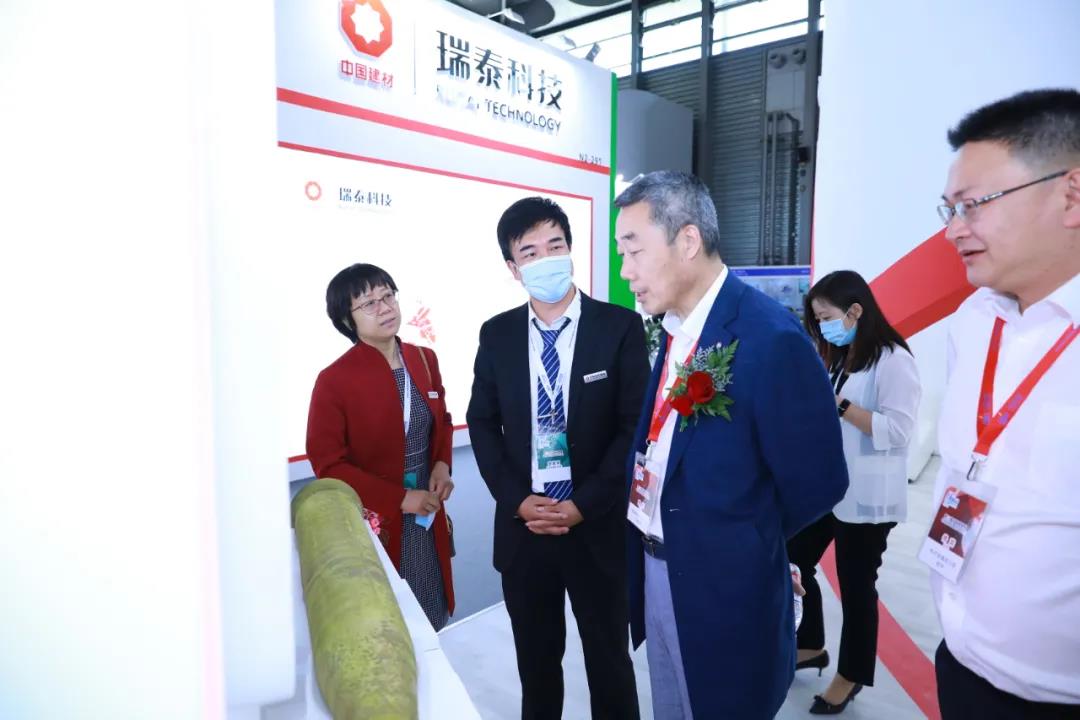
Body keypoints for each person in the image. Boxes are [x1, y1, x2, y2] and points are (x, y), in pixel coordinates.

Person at [614, 170, 848, 719]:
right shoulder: (675, 328)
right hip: (657, 568)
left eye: (634, 251)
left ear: (688, 241)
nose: (625, 271)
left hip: (725, 585)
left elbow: (819, 482)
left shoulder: (770, 338)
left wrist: (745, 539)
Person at [466, 197, 647, 720]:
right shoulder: (497, 334)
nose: (545, 259)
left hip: (597, 526)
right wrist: (517, 500)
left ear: (570, 250)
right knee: (537, 665)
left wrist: (584, 504)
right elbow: (482, 423)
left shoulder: (618, 327)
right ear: (513, 267)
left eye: (555, 245)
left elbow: (632, 428)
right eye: (530, 252)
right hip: (525, 529)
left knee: (609, 663)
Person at [931, 88, 1080, 718]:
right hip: (962, 667)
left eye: (975, 205)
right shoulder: (973, 321)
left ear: (1071, 194)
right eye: (950, 209)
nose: (954, 229)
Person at [787, 270, 921, 714]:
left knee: (857, 584)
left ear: (856, 310)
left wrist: (840, 406)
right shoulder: (842, 357)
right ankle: (811, 645)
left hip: (868, 495)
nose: (824, 327)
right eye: (818, 320)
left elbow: (898, 431)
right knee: (794, 557)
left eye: (827, 317)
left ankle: (851, 675)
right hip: (832, 485)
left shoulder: (893, 359)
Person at [306, 263, 455, 630]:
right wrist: (400, 499)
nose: (385, 308)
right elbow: (328, 464)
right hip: (377, 519)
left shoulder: (424, 359)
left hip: (427, 513)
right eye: (369, 303)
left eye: (388, 296)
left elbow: (443, 421)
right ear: (347, 319)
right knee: (389, 624)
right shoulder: (334, 380)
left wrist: (442, 465)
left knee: (432, 611)